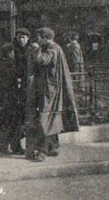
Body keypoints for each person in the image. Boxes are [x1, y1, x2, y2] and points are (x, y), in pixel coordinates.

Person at [24, 28, 80, 162]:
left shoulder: (52, 48)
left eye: (39, 37)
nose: (37, 40)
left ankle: (42, 151)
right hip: (50, 88)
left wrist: (36, 50)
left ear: (44, 38)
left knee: (45, 118)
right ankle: (54, 147)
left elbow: (43, 60)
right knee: (52, 117)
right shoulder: (55, 47)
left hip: (50, 90)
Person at [0, 28, 30, 155]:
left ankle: (15, 146)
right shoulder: (5, 63)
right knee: (9, 121)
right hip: (7, 96)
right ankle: (7, 146)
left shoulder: (24, 52)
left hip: (15, 95)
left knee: (15, 121)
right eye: (19, 37)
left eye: (23, 37)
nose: (21, 40)